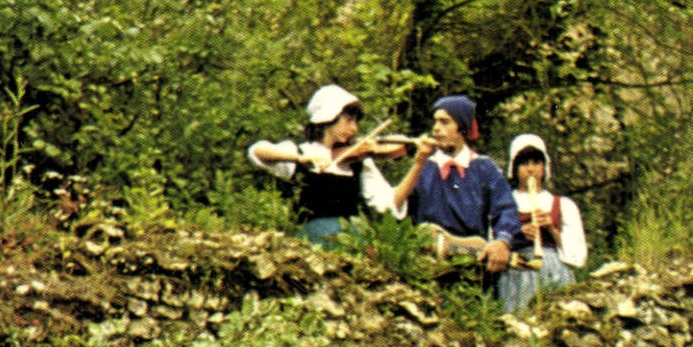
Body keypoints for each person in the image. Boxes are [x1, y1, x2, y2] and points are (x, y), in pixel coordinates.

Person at [247, 84, 407, 245]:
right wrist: (299, 158)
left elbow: (388, 202)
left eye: (356, 121)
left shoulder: (358, 161)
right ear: (329, 118)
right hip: (313, 238)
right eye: (349, 120)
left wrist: (419, 162)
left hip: (351, 237)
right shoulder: (302, 152)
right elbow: (258, 151)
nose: (354, 128)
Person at [391, 94, 519, 279]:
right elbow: (396, 207)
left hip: (473, 264)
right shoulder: (424, 168)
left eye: (445, 122)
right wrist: (417, 164)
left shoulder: (484, 168)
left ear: (462, 128)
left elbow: (506, 208)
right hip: (429, 268)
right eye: (435, 122)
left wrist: (503, 241)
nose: (436, 129)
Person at [498, 133, 587, 313]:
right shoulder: (503, 203)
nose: (530, 169)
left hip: (553, 270)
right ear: (514, 168)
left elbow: (578, 255)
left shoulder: (563, 205)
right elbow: (492, 242)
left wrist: (551, 229)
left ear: (544, 167)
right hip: (518, 269)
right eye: (524, 163)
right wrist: (518, 235)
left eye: (536, 163)